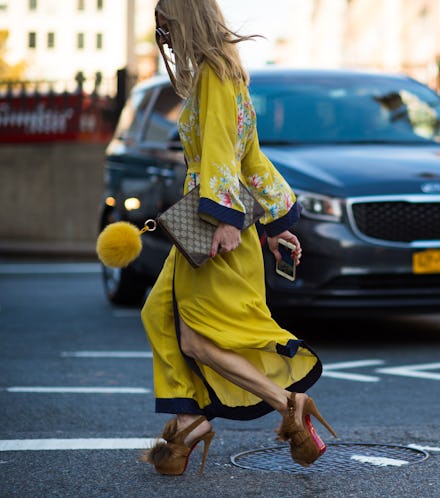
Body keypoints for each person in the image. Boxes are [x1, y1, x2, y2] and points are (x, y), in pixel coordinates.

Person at [141, 0, 335, 476]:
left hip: (213, 225)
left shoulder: (214, 74)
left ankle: (287, 403)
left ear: (184, 22)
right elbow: (252, 159)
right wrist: (273, 223)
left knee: (200, 339)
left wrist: (227, 220)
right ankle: (190, 423)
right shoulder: (228, 73)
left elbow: (224, 154)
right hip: (209, 218)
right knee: (159, 313)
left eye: (165, 28)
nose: (163, 39)